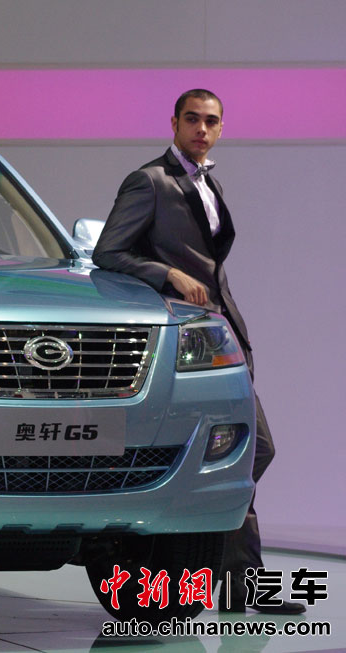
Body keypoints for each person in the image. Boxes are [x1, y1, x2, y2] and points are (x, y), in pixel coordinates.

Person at [92, 89, 304, 615]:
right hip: (182, 344)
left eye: (211, 121)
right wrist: (167, 273)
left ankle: (236, 586)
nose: (201, 129)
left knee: (247, 454)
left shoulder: (210, 184)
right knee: (246, 454)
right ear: (174, 123)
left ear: (221, 128)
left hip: (220, 335)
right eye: (192, 119)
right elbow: (109, 252)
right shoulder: (150, 180)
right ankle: (217, 573)